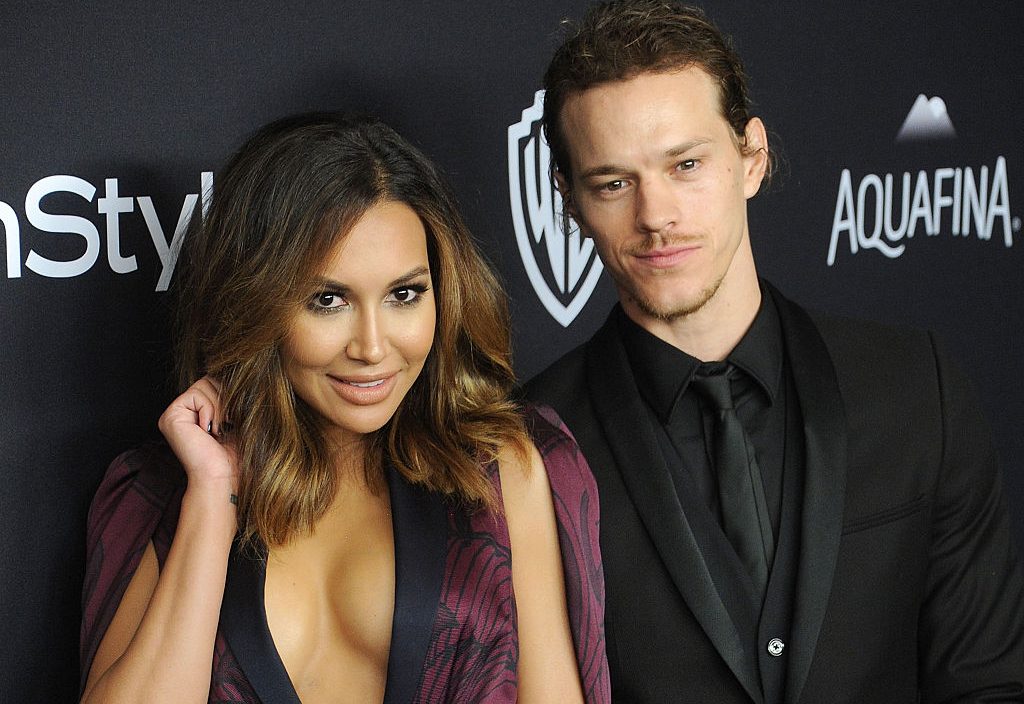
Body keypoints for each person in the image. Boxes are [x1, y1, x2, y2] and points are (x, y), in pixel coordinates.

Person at [524, 1, 1024, 702]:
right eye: (613, 183)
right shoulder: (529, 447)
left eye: (687, 164)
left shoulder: (915, 389)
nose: (656, 215)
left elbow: (987, 683)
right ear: (571, 203)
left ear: (752, 157)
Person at [80, 113, 610, 703]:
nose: (373, 348)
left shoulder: (506, 469)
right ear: (258, 303)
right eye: (327, 300)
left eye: (404, 295)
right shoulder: (160, 495)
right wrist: (212, 494)